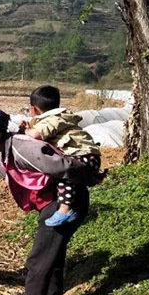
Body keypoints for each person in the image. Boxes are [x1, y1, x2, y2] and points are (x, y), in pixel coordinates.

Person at [0, 105, 94, 295]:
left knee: (38, 262)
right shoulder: (9, 147)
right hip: (56, 203)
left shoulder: (21, 147)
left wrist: (91, 176)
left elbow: (64, 166)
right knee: (52, 260)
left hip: (62, 204)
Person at [20, 85, 102, 227]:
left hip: (84, 156)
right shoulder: (57, 117)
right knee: (63, 174)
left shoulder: (53, 119)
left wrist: (26, 130)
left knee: (64, 172)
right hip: (87, 156)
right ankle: (70, 208)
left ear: (34, 109)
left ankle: (65, 210)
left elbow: (36, 134)